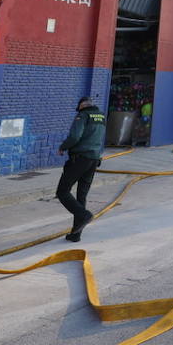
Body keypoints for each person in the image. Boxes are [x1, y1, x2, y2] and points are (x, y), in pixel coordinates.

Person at [56, 95, 106, 243]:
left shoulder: (82, 116)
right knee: (81, 196)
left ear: (82, 106)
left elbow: (75, 137)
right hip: (94, 159)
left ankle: (84, 215)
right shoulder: (101, 117)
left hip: (80, 159)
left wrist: (63, 147)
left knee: (62, 191)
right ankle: (75, 234)